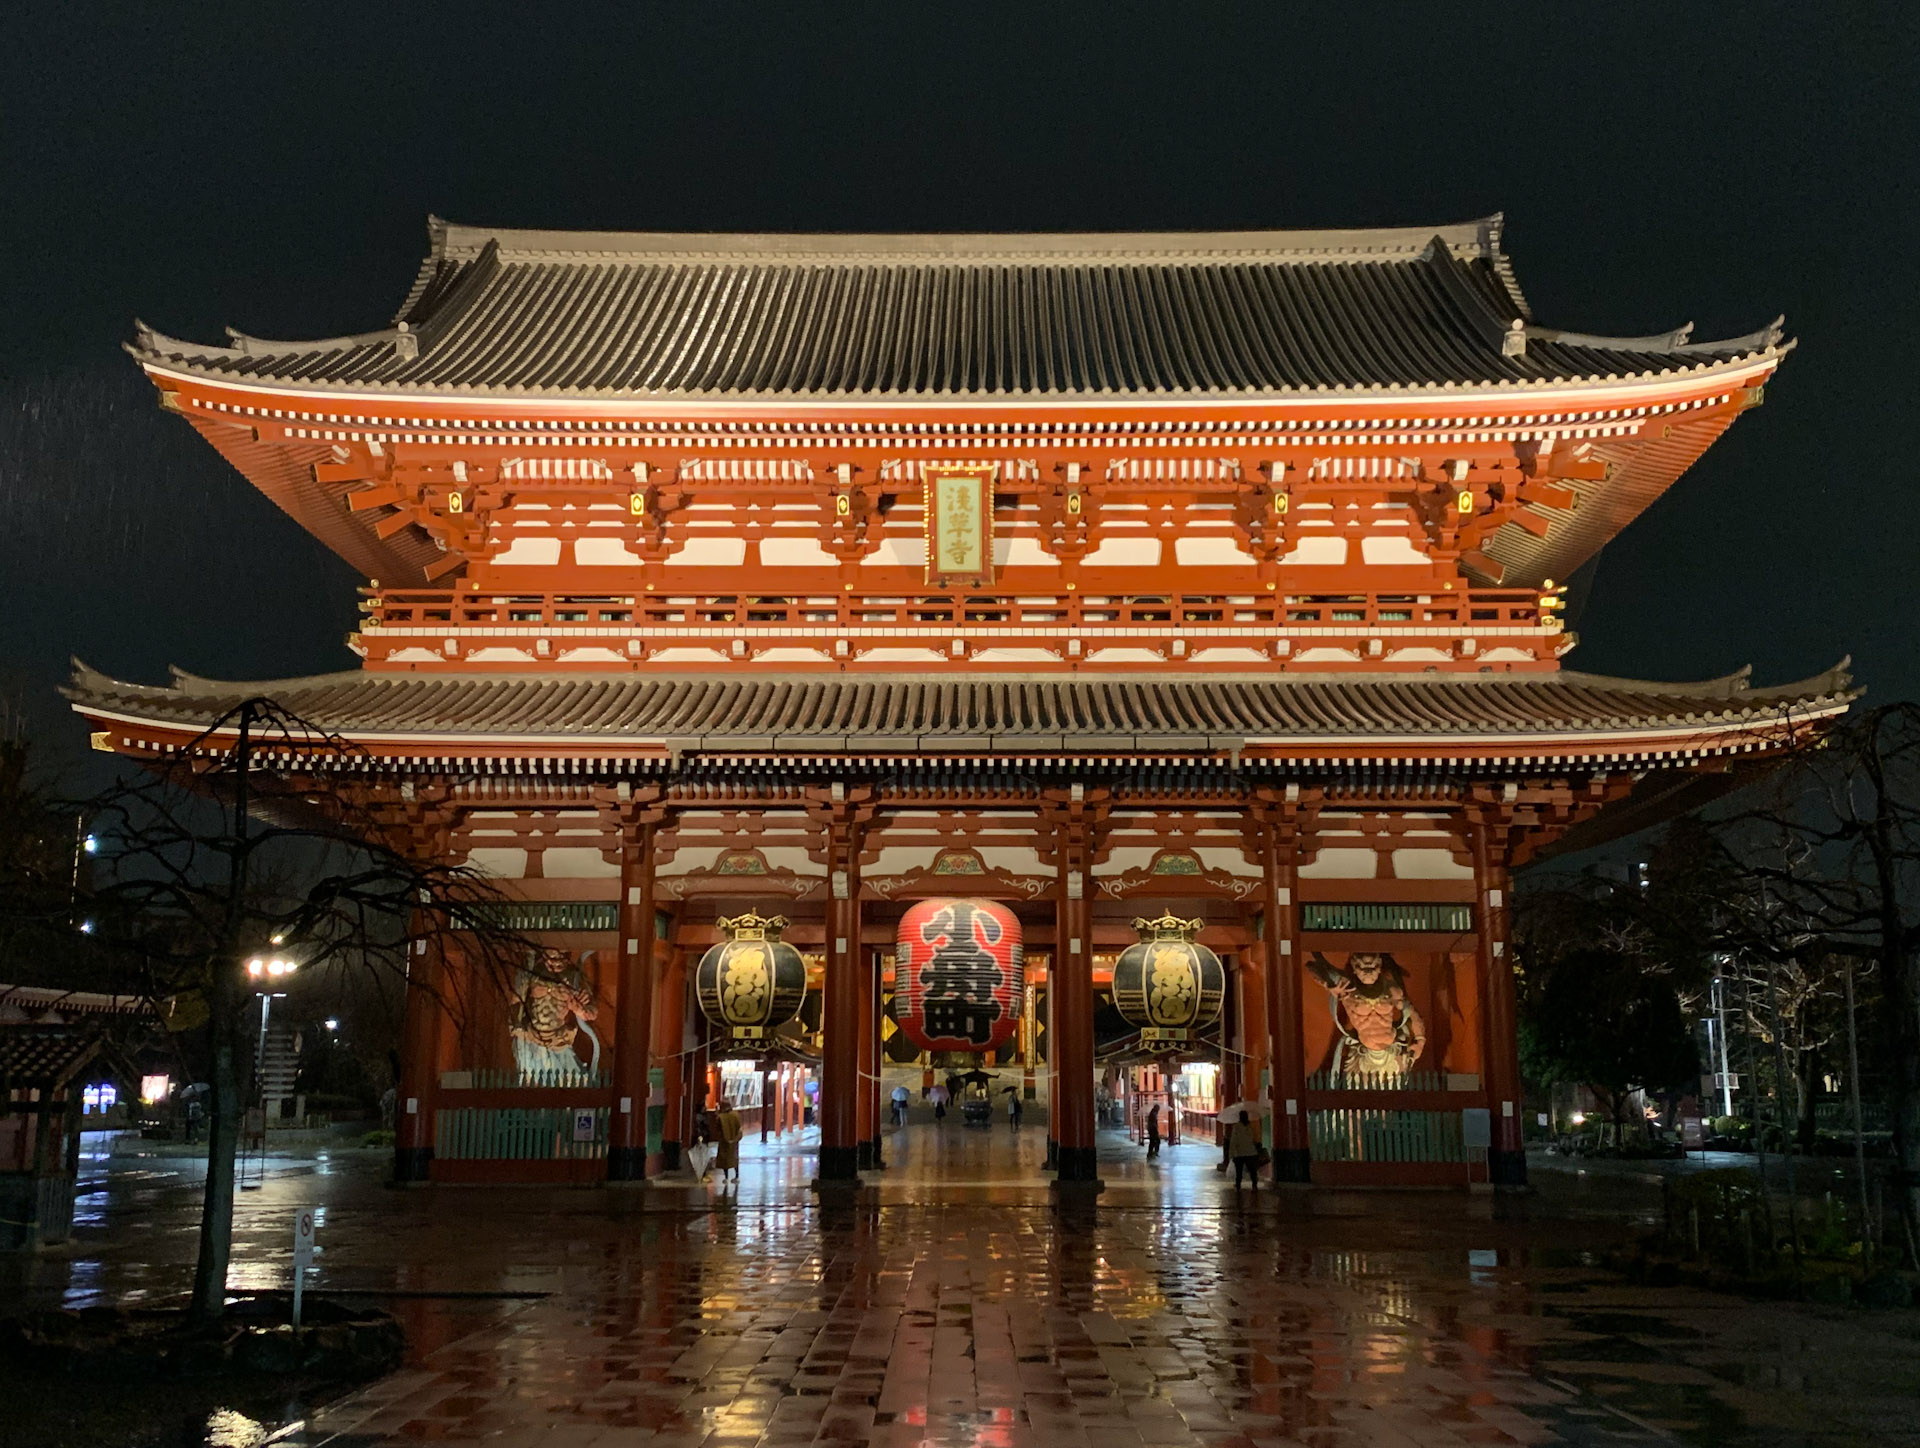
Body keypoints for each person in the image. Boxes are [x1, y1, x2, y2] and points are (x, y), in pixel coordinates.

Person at [1228, 1109, 1260, 1189]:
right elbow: (1256, 1138)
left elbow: (1233, 1141)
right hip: (1251, 1152)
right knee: (1252, 1170)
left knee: (1239, 1171)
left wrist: (1231, 1154)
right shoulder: (1251, 1126)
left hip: (1239, 1153)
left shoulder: (1236, 1127)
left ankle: (1238, 1185)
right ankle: (1254, 1185)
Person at [714, 1101, 744, 1185]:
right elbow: (739, 1128)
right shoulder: (736, 1115)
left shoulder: (720, 1117)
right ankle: (736, 1176)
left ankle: (726, 1178)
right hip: (734, 1141)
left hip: (724, 1142)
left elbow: (718, 1129)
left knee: (725, 1160)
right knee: (734, 1158)